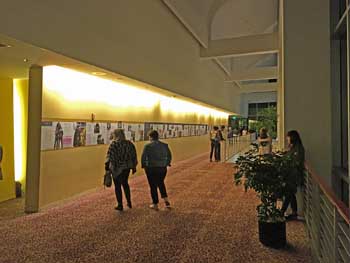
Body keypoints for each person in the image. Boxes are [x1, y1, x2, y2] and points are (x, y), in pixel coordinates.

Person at [105, 129, 138, 211]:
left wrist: (107, 168)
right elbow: (134, 155)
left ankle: (120, 204)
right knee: (125, 184)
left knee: (117, 186)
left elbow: (110, 157)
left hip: (116, 168)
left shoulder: (114, 144)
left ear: (116, 135)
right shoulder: (129, 144)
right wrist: (133, 166)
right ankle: (129, 202)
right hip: (126, 168)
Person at [141, 130, 172, 210]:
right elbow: (169, 155)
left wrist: (144, 165)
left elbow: (143, 157)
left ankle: (155, 203)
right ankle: (166, 201)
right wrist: (167, 163)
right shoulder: (165, 145)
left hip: (151, 168)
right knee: (161, 183)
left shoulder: (148, 146)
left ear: (151, 137)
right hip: (162, 168)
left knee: (153, 186)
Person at [280, 130, 305, 220]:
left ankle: (281, 212)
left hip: (294, 176)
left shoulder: (298, 149)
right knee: (290, 194)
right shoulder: (293, 148)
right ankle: (294, 213)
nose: (287, 139)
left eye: (288, 137)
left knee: (289, 194)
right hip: (290, 175)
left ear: (292, 138)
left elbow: (297, 162)